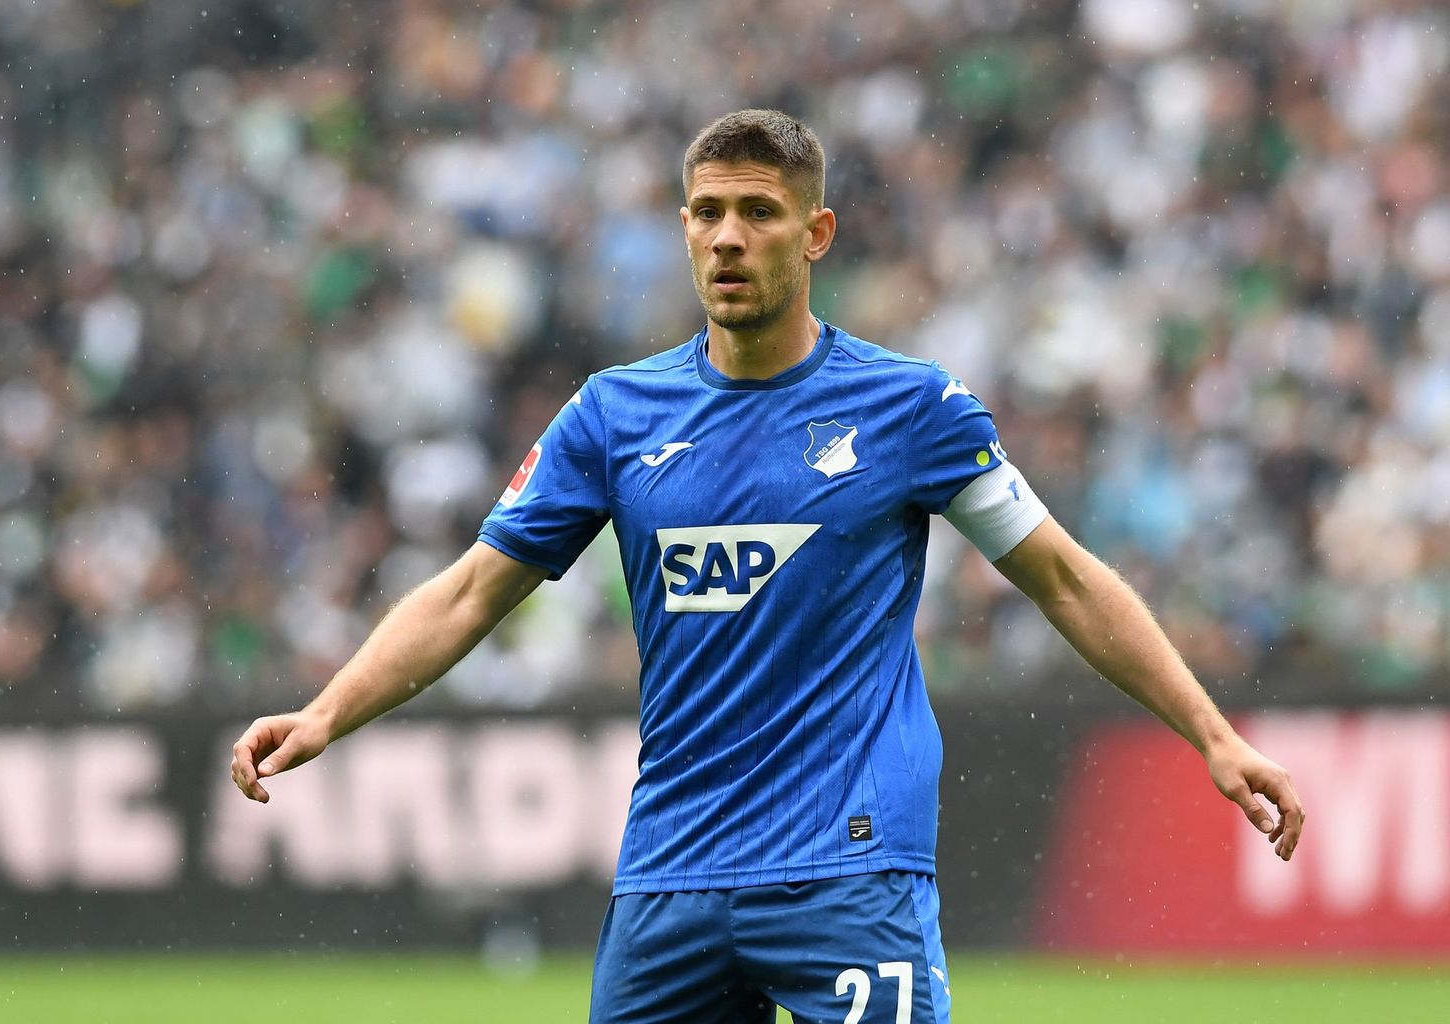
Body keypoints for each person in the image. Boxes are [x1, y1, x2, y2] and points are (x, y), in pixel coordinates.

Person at [230, 109, 1304, 1023]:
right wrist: (328, 712)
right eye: (707, 213)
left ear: (816, 232)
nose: (729, 238)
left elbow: (1063, 578)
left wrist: (1213, 733)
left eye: (759, 212)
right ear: (683, 229)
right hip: (673, 874)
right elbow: (471, 591)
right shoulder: (612, 416)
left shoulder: (911, 408)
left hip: (852, 865)